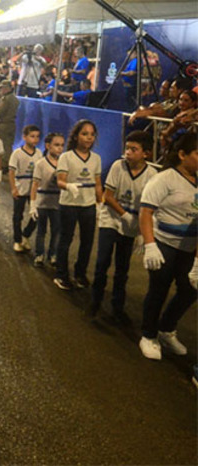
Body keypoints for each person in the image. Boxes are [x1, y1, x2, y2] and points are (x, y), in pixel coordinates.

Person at [138, 133, 197, 360]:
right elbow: (146, 212)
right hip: (164, 244)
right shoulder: (165, 179)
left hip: (190, 248)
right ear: (182, 155)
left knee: (190, 290)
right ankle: (148, 334)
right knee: (158, 290)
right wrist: (150, 244)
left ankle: (166, 328)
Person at [91, 130, 157, 320]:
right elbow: (108, 196)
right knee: (102, 262)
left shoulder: (152, 175)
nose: (128, 152)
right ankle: (95, 302)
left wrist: (144, 233)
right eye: (127, 148)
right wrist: (125, 214)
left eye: (134, 149)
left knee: (122, 268)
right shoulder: (118, 167)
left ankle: (117, 307)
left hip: (131, 226)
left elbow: (150, 206)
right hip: (110, 219)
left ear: (146, 153)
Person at [53, 120, 103, 291]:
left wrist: (100, 204)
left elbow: (98, 184)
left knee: (87, 241)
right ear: (76, 136)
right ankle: (61, 274)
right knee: (66, 239)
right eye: (84, 134)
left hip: (88, 205)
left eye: (92, 134)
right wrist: (68, 186)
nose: (89, 138)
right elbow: (60, 180)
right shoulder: (66, 157)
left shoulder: (96, 159)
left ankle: (80, 273)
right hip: (69, 204)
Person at [29, 133, 64, 267]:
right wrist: (33, 204)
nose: (60, 148)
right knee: (41, 231)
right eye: (56, 145)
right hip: (42, 203)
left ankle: (53, 254)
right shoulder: (41, 164)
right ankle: (39, 254)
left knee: (56, 230)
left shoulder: (63, 163)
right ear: (48, 146)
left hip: (57, 203)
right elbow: (35, 185)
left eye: (62, 145)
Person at [9, 125, 41, 253]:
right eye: (32, 136)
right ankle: (17, 240)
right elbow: (11, 172)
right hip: (20, 189)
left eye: (37, 136)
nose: (35, 139)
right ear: (24, 137)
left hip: (33, 191)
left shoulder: (39, 154)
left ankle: (25, 235)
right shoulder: (17, 153)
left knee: (36, 215)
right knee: (18, 216)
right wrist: (13, 188)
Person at [0, 80, 19, 174]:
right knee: (9, 145)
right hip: (11, 124)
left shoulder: (5, 99)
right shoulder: (15, 99)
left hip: (3, 124)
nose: (1, 91)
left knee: (3, 146)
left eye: (2, 88)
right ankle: (8, 164)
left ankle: (4, 165)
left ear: (6, 89)